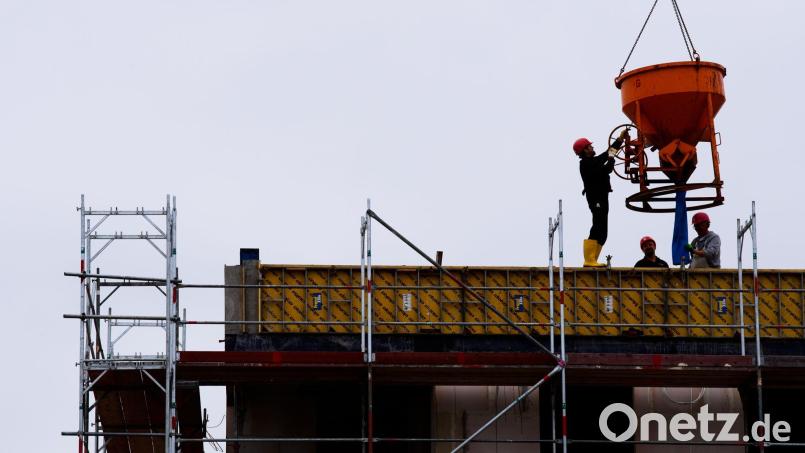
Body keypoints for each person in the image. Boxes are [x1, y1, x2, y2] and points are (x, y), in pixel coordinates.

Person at [574, 129, 628, 267]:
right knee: (598, 225)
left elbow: (606, 156)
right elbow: (604, 168)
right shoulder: (585, 164)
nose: (592, 147)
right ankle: (589, 260)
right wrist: (610, 162)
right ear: (585, 150)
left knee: (603, 231)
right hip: (596, 198)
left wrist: (620, 140)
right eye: (590, 146)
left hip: (602, 196)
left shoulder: (592, 161)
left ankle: (593, 260)